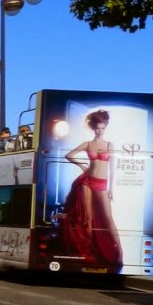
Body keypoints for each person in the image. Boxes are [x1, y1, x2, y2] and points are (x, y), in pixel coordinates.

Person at [62, 109, 122, 266]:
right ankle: (88, 253)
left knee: (108, 220)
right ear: (93, 127)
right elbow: (68, 155)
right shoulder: (88, 144)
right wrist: (81, 164)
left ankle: (120, 252)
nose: (100, 130)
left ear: (106, 127)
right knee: (87, 218)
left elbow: (112, 169)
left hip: (102, 183)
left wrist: (110, 189)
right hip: (87, 181)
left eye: (102, 128)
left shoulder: (110, 144)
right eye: (97, 128)